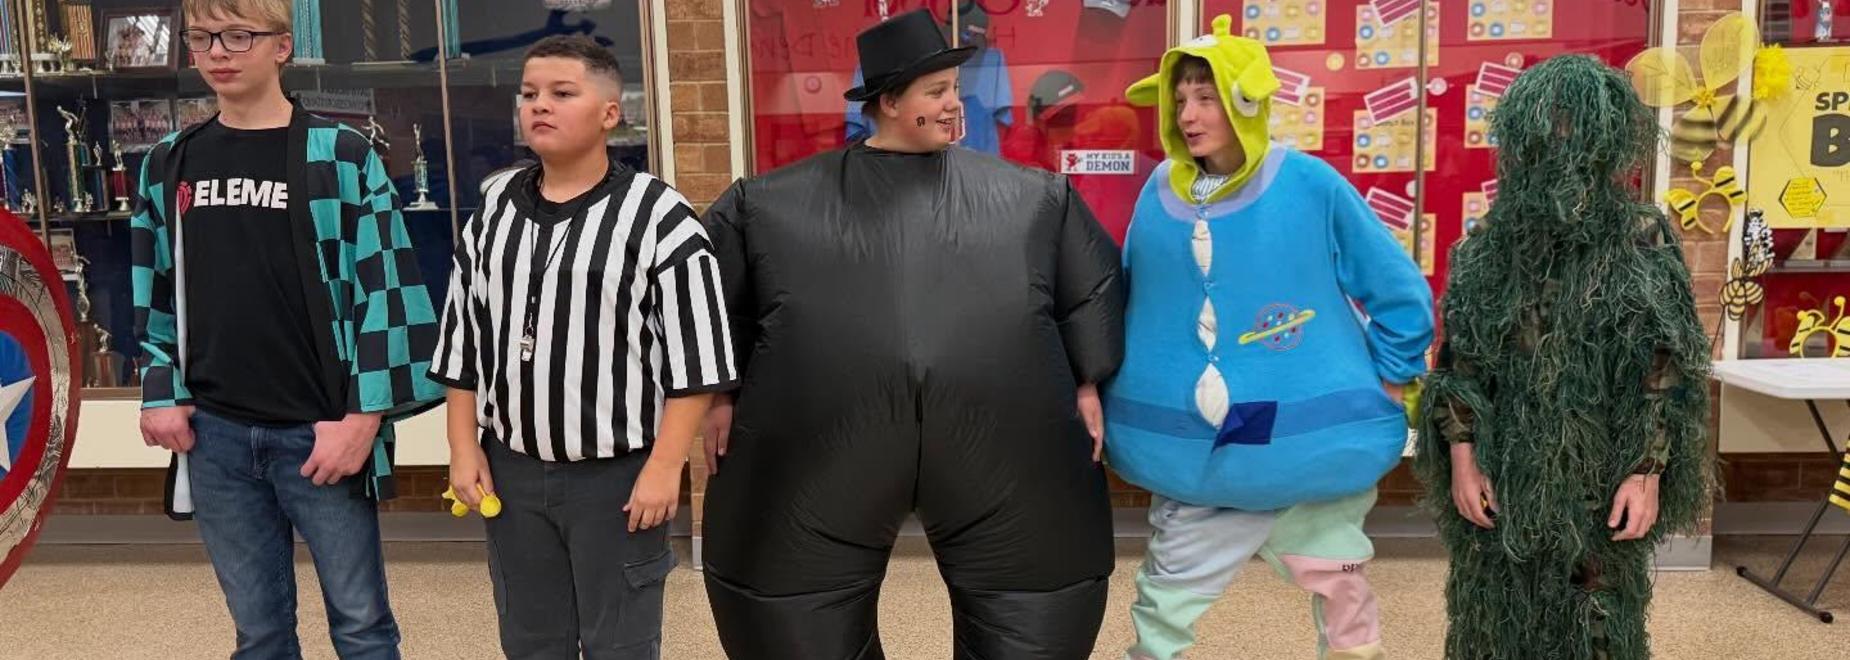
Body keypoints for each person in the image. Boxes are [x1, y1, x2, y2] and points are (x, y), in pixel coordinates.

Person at [698, 9, 1125, 659]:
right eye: (937, 92)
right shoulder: (767, 207)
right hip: (823, 448)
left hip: (1004, 443)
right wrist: (720, 394)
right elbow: (712, 303)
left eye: (955, 89)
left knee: (1032, 598)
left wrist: (1088, 380)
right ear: (890, 102)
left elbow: (1088, 289)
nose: (955, 104)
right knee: (793, 605)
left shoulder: (1037, 201)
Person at [1103, 16, 1434, 660]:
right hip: (1196, 452)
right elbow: (1134, 296)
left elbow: (1395, 288)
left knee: (1339, 584)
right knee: (1167, 596)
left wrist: (1392, 379)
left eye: (1206, 97)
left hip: (1309, 444)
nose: (1188, 115)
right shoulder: (1158, 191)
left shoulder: (1308, 183)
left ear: (1245, 101)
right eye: (1180, 99)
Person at [131, 1, 444, 657]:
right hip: (215, 434)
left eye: (239, 35)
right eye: (203, 38)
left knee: (362, 626)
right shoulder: (169, 162)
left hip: (320, 429)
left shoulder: (342, 155)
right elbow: (151, 289)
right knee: (259, 631)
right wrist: (160, 389)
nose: (219, 52)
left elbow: (387, 289)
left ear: (281, 47)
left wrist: (362, 419)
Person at [428, 35, 734, 659]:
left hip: (616, 477)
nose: (539, 105)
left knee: (619, 642)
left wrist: (663, 469)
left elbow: (697, 361)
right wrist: (463, 447)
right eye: (529, 94)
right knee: (530, 639)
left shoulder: (660, 216)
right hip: (512, 472)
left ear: (609, 113)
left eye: (562, 93)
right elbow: (464, 340)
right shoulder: (492, 212)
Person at [1413, 55, 1712, 660]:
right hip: (1505, 475)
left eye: (1577, 128)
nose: (1563, 145)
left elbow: (1664, 370)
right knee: (1495, 622)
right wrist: (1464, 462)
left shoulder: (1641, 239)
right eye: (1549, 128)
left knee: (1597, 624)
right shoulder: (1487, 248)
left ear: (1606, 143)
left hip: (1602, 479)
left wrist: (1646, 472)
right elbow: (1460, 370)